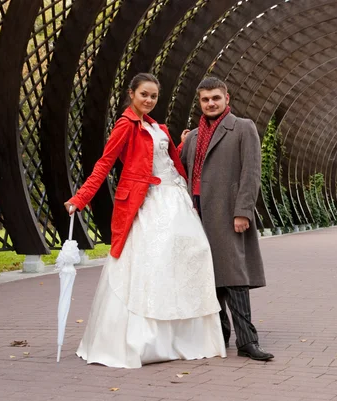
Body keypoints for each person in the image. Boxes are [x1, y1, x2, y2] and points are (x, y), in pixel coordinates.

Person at [64, 73, 226, 368]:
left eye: (153, 96)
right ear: (132, 94)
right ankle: (148, 341)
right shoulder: (125, 126)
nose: (149, 100)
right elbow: (104, 163)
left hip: (176, 197)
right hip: (149, 200)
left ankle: (183, 340)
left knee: (191, 256)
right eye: (144, 95)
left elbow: (165, 162)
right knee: (153, 262)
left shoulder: (156, 126)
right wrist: (81, 198)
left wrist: (180, 144)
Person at [180, 77, 274, 361]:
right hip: (197, 212)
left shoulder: (243, 127)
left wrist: (243, 212)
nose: (210, 103)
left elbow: (251, 172)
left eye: (215, 99)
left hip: (227, 211)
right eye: (205, 99)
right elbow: (181, 169)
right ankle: (219, 336)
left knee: (233, 277)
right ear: (200, 102)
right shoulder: (193, 136)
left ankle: (247, 340)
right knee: (208, 277)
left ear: (226, 98)